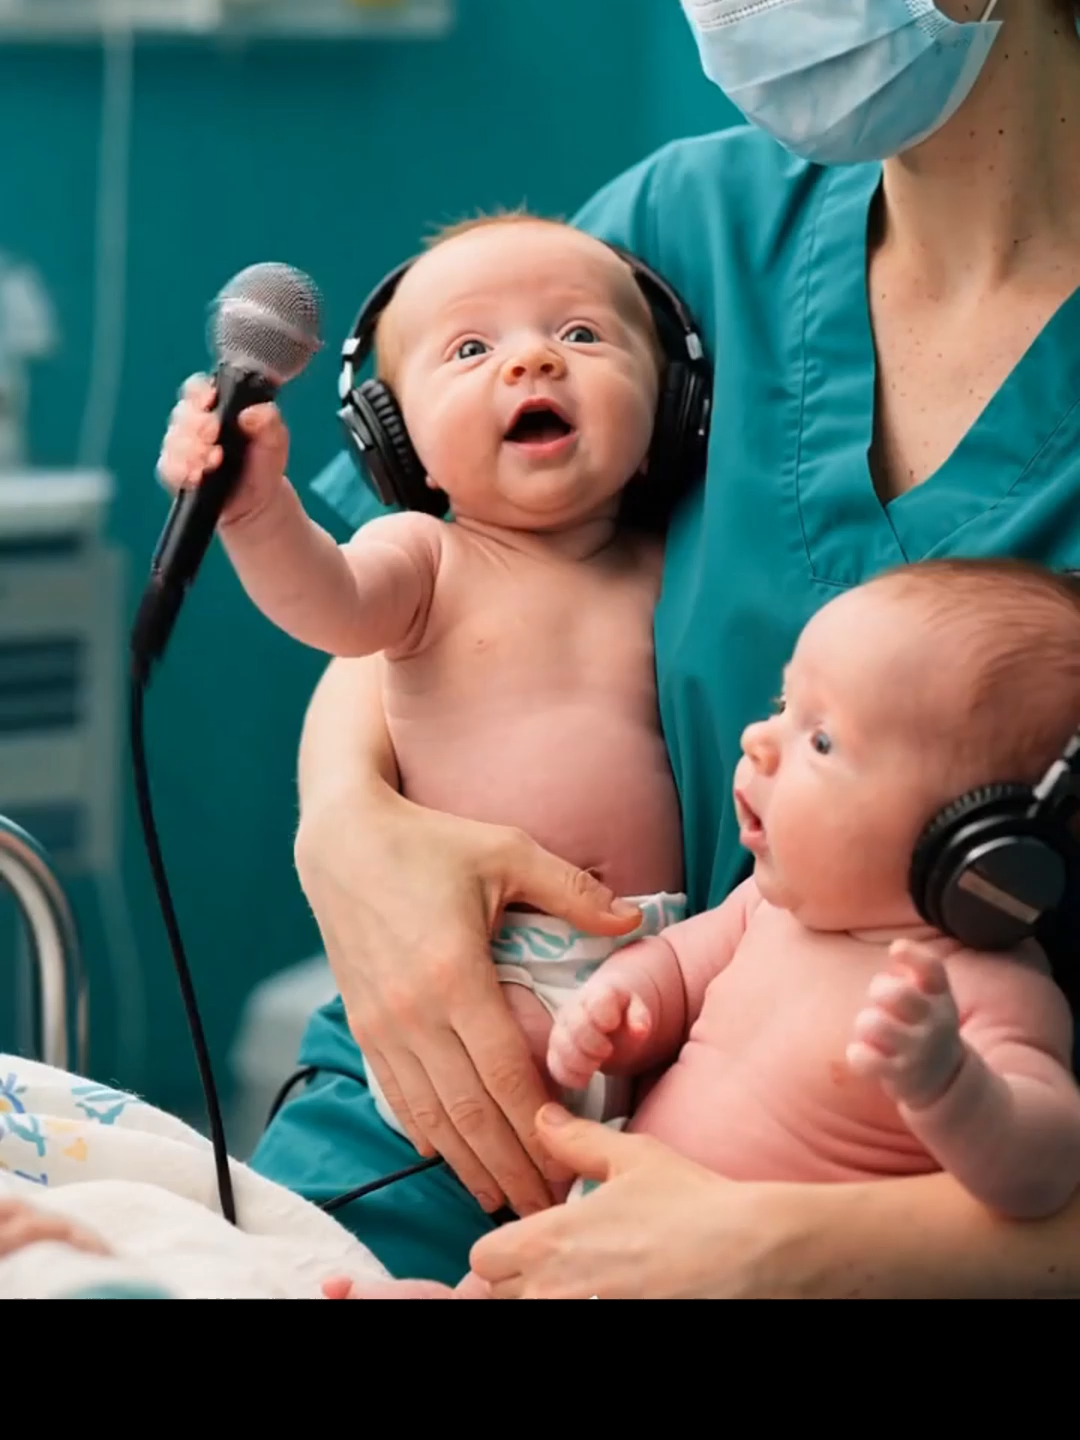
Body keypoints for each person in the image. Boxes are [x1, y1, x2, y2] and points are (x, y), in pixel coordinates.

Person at [239, 0, 1080, 1296]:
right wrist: (347, 826)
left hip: (874, 1199)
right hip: (466, 1111)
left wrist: (789, 1253)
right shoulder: (687, 237)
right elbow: (439, 579)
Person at [323, 559, 1080, 1298]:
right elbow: (677, 970)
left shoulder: (991, 995)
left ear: (983, 846)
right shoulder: (766, 908)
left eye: (821, 740)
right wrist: (621, 1005)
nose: (760, 737)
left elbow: (1043, 1172)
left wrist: (951, 1084)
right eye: (784, 703)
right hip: (615, 1230)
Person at [158, 215, 691, 1140]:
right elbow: (327, 600)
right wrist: (255, 515)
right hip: (484, 968)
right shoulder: (425, 557)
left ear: (668, 412)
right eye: (473, 347)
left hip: (666, 972)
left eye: (580, 335)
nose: (532, 363)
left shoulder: (675, 567)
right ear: (397, 447)